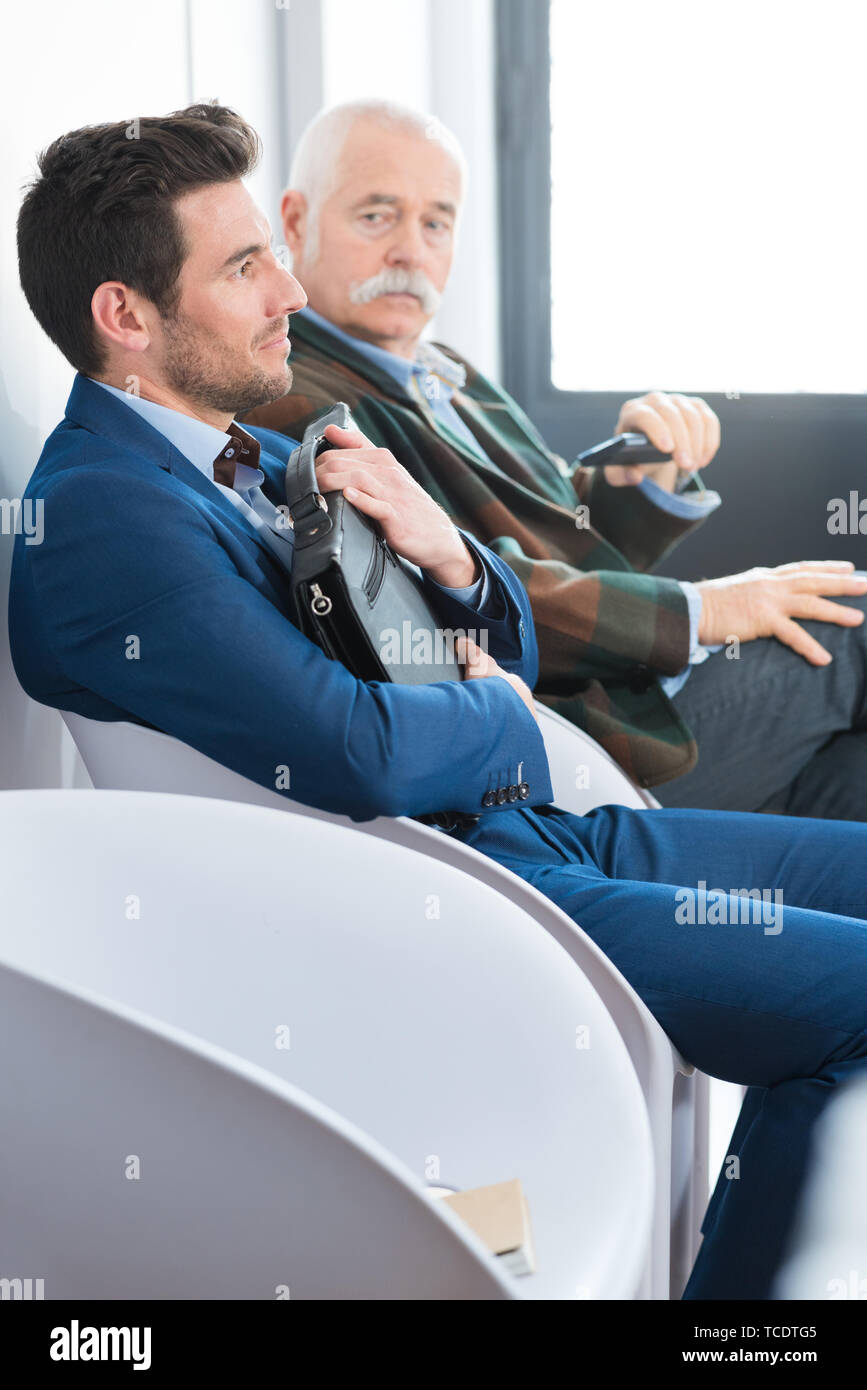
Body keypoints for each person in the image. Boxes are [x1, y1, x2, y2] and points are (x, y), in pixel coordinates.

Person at [11, 103, 867, 1301]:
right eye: (248, 264)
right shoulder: (105, 519)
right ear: (125, 316)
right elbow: (354, 749)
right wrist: (506, 718)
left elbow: (489, 636)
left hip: (541, 834)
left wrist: (449, 559)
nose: (287, 293)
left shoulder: (227, 458)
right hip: (476, 893)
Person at [244, 100, 867, 820]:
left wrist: (637, 482)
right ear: (295, 221)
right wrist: (707, 610)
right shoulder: (294, 402)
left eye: (436, 222)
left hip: (632, 701)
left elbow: (553, 538)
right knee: (848, 623)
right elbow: (449, 592)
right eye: (377, 217)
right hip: (579, 743)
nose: (411, 251)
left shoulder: (447, 372)